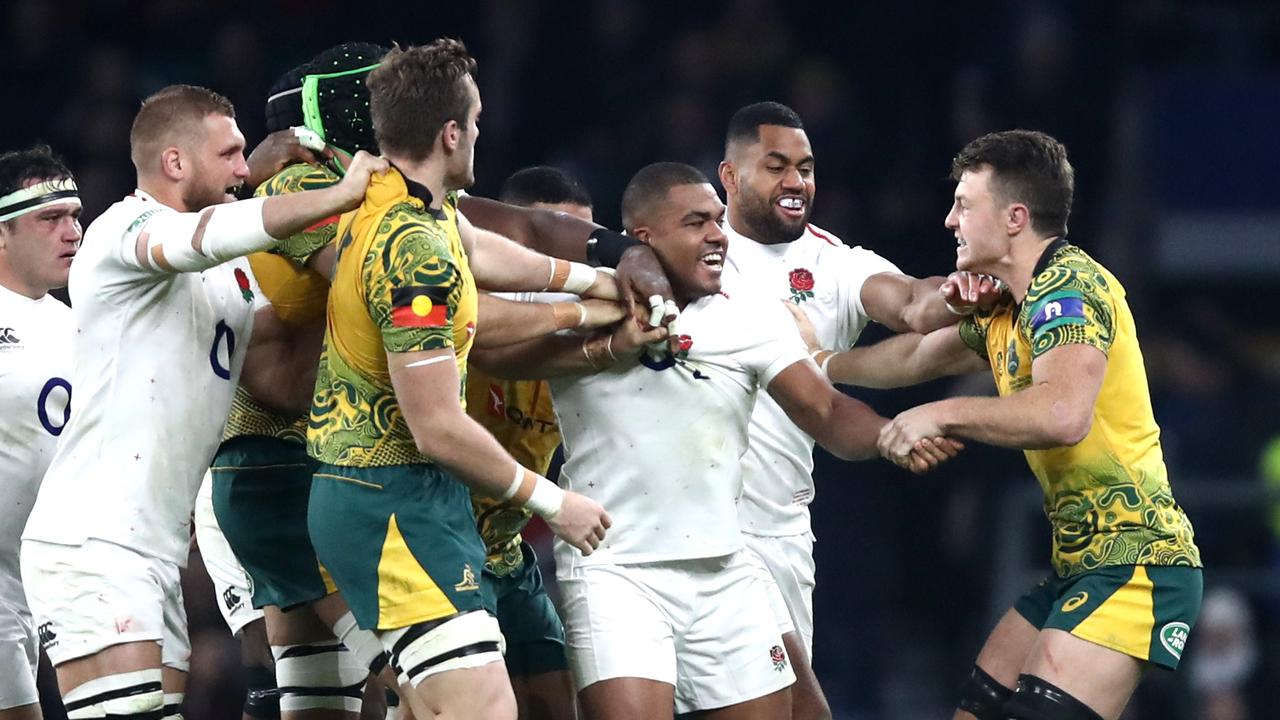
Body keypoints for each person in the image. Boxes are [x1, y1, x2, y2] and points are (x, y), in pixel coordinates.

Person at [498, 162, 959, 720]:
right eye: (697, 223)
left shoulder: (753, 318)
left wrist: (888, 436)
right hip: (615, 573)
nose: (719, 235)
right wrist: (605, 346)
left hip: (723, 570)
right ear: (642, 242)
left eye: (719, 219)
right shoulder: (592, 310)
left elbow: (828, 409)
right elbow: (493, 352)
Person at [805, 130, 1202, 720]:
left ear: (1015, 218)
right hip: (1079, 565)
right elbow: (916, 356)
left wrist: (939, 414)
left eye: (964, 205)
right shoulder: (1005, 304)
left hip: (1139, 562)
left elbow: (1062, 413)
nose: (948, 220)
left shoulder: (1070, 287)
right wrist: (818, 362)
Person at [20, 84, 385, 720]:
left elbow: (280, 382)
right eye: (230, 154)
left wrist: (368, 302)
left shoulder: (232, 274)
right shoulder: (122, 230)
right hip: (92, 541)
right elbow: (201, 237)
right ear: (175, 163)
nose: (245, 171)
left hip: (157, 548)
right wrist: (338, 194)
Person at [304, 40, 618, 720]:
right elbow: (437, 425)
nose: (479, 131)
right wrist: (553, 502)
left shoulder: (412, 201)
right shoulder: (413, 252)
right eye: (474, 120)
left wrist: (597, 284)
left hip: (402, 499)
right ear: (451, 133)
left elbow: (485, 252)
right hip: (389, 499)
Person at [716, 101, 1000, 720]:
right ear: (730, 177)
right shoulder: (689, 245)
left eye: (807, 167)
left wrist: (961, 291)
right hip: (675, 524)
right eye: (777, 166)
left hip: (776, 533)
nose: (797, 181)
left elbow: (913, 306)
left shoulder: (833, 263)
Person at [465, 166, 597, 720]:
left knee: (552, 699)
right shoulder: (463, 302)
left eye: (582, 245)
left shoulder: (591, 333)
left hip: (506, 551)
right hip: (437, 540)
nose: (571, 264)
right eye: (554, 241)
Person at [0, 144, 81, 720]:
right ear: (2, 234)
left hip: (50, 578)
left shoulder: (81, 324)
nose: (71, 232)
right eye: (50, 219)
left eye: (75, 215)